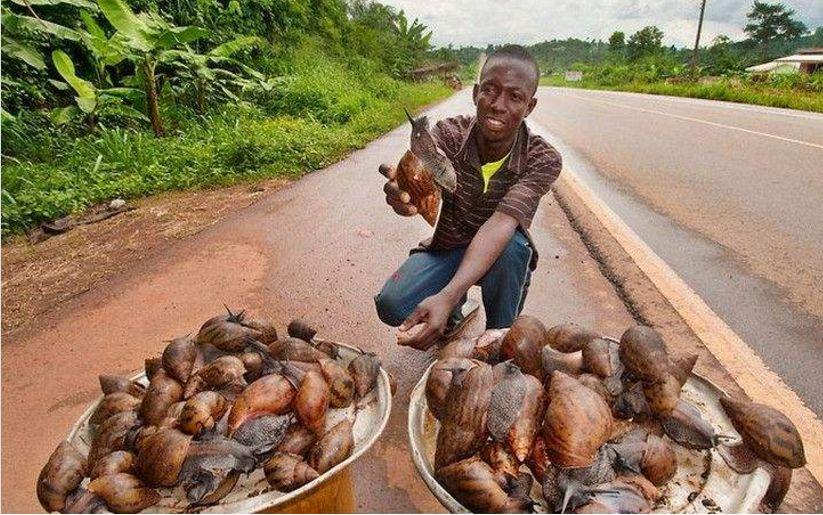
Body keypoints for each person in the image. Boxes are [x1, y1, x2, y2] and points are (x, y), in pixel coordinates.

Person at [374, 45, 562, 350]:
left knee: (515, 246)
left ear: (530, 106)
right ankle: (451, 312)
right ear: (475, 94)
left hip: (500, 253)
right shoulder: (448, 135)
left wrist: (446, 296)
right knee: (391, 304)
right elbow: (423, 168)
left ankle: (500, 335)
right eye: (490, 90)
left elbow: (501, 222)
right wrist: (406, 195)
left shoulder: (542, 158)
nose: (498, 105)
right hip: (449, 245)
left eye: (515, 97)